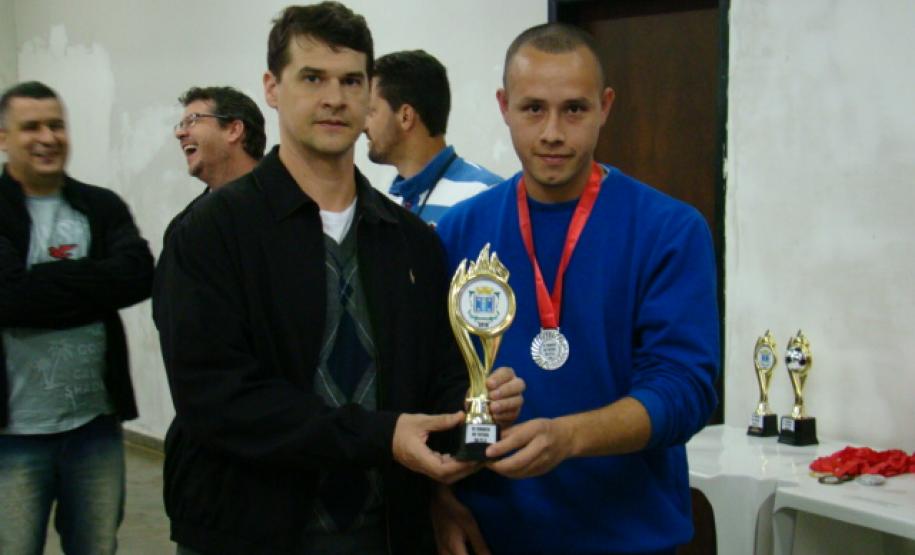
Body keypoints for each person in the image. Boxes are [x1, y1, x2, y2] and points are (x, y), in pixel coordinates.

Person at [152, 4, 523, 555]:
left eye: (352, 80)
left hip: (385, 532)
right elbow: (218, 401)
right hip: (249, 532)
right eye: (313, 78)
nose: (334, 98)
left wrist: (476, 404)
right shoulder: (208, 234)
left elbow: (435, 376)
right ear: (272, 88)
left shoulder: (410, 240)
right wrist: (381, 437)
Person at [434, 23, 720, 555]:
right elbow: (429, 384)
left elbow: (686, 391)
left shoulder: (669, 230)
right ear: (504, 105)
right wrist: (437, 498)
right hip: (491, 537)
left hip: (630, 538)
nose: (552, 132)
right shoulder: (458, 233)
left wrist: (568, 438)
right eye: (533, 108)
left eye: (574, 109)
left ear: (605, 106)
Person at [0, 81, 154, 554]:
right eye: (31, 127)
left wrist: (39, 283)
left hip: (95, 428)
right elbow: (7, 299)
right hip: (14, 435)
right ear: (4, 138)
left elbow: (138, 276)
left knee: (96, 547)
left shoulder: (100, 206)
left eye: (56, 125)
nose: (47, 137)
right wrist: (93, 285)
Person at [364, 49, 501, 225]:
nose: (363, 126)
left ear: (405, 116)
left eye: (370, 112)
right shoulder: (392, 204)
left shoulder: (485, 196)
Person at [168, 86, 265, 234]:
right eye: (181, 125)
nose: (180, 133)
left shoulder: (293, 201)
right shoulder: (184, 227)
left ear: (234, 130)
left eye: (192, 120)